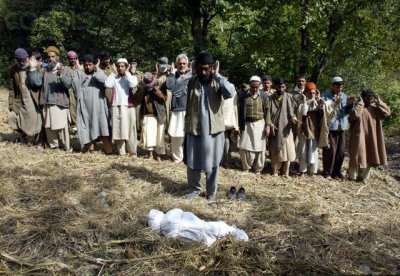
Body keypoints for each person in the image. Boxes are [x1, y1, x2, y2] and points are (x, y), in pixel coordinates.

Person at [184, 52, 235, 201]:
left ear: (212, 67)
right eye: (200, 68)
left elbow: (230, 92)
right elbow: (175, 89)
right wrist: (189, 72)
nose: (203, 72)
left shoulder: (217, 81)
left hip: (213, 130)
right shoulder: (191, 81)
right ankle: (194, 190)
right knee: (193, 160)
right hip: (194, 127)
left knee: (212, 162)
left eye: (207, 69)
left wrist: (218, 75)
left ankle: (211, 193)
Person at [61, 54, 112, 154]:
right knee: (88, 127)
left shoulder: (99, 72)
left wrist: (97, 69)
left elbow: (104, 81)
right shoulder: (80, 73)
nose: (88, 67)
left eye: (90, 65)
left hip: (99, 107)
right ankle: (91, 148)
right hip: (85, 107)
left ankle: (109, 150)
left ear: (94, 64)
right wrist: (80, 71)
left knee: (102, 127)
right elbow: (75, 86)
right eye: (85, 65)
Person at [28, 46, 71, 151]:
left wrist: (60, 73)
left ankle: (67, 147)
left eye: (53, 56)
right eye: (49, 57)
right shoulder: (44, 70)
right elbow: (36, 83)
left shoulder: (64, 69)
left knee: (62, 127)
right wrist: (32, 69)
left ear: (58, 57)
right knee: (49, 127)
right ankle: (54, 147)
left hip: (60, 103)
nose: (51, 58)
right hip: (47, 102)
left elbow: (68, 84)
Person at [348, 88, 391, 181]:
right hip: (359, 136)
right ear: (363, 98)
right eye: (367, 97)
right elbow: (353, 116)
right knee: (357, 155)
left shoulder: (375, 108)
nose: (370, 99)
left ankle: (363, 177)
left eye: (371, 97)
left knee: (371, 154)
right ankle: (352, 177)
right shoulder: (358, 107)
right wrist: (360, 104)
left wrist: (379, 102)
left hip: (372, 136)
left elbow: (387, 113)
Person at [296, 82, 334, 177]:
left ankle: (312, 171)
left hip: (315, 130)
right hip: (305, 130)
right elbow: (303, 113)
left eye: (313, 93)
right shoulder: (301, 102)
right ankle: (303, 171)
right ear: (306, 93)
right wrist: (305, 102)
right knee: (304, 150)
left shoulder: (319, 102)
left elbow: (324, 112)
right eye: (309, 93)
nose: (311, 95)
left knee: (313, 152)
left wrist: (320, 100)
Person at [321, 76, 353, 180]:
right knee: (330, 150)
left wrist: (349, 104)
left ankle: (336, 172)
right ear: (332, 86)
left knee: (341, 151)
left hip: (341, 126)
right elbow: (324, 111)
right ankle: (327, 172)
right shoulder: (325, 96)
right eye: (337, 86)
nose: (339, 88)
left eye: (341, 86)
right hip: (331, 127)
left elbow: (347, 111)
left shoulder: (343, 95)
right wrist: (335, 104)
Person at [8, 48, 42, 143]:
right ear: (16, 60)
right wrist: (10, 103)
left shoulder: (36, 66)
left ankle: (33, 137)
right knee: (13, 117)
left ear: (27, 58)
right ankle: (24, 135)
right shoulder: (13, 69)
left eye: (24, 60)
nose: (22, 63)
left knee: (33, 118)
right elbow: (12, 88)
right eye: (19, 61)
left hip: (32, 97)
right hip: (20, 98)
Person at [105, 58, 138, 155]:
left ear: (126, 67)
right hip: (116, 105)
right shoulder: (114, 76)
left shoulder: (131, 77)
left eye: (122, 66)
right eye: (118, 66)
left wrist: (127, 73)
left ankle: (132, 152)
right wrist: (114, 73)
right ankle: (121, 152)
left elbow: (133, 84)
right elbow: (108, 84)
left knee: (130, 129)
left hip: (128, 106)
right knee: (118, 129)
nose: (120, 68)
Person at [267, 78, 297, 177]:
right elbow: (267, 113)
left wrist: (294, 117)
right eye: (279, 86)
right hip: (274, 128)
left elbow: (292, 111)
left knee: (288, 150)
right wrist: (270, 123)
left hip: (286, 128)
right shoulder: (270, 98)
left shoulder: (289, 97)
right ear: (275, 87)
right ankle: (275, 171)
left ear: (285, 87)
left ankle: (285, 172)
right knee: (275, 151)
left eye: (283, 87)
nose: (281, 88)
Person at [238, 76, 269, 174]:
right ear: (249, 85)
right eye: (253, 87)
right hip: (246, 124)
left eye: (257, 87)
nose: (255, 89)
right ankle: (246, 168)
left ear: (260, 86)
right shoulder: (243, 96)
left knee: (260, 147)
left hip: (260, 124)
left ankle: (258, 169)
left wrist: (268, 125)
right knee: (245, 147)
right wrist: (238, 125)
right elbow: (238, 111)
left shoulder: (264, 96)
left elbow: (267, 112)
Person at [135, 72, 167, 162]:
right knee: (148, 135)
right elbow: (137, 99)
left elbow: (164, 98)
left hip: (159, 114)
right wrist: (142, 90)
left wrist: (156, 90)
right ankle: (150, 154)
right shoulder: (141, 85)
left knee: (159, 136)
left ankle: (159, 155)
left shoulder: (159, 84)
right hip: (147, 114)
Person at [166, 53, 192, 163]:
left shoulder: (192, 76)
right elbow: (169, 86)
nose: (182, 65)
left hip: (189, 109)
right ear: (177, 64)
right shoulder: (173, 75)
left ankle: (188, 158)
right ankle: (177, 158)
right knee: (177, 136)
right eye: (180, 63)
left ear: (187, 64)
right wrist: (171, 74)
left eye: (184, 63)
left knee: (189, 136)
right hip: (176, 109)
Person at [221, 70, 238, 168]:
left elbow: (234, 105)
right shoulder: (218, 85)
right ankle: (223, 160)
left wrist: (235, 122)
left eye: (225, 77)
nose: (224, 79)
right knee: (223, 140)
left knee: (226, 140)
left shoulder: (231, 88)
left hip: (227, 119)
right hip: (221, 119)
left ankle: (226, 160)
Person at [65, 50, 81, 128]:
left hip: (80, 90)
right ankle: (75, 124)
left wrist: (79, 67)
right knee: (72, 106)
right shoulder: (66, 69)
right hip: (70, 91)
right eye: (71, 59)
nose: (73, 60)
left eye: (74, 58)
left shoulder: (80, 68)